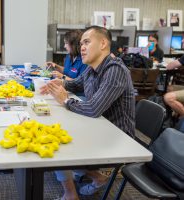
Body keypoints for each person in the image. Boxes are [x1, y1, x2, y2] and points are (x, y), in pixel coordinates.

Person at [41, 26, 135, 199]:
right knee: (55, 133)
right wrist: (58, 84)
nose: (82, 47)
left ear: (103, 43)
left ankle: (70, 194)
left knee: (56, 142)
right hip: (97, 125)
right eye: (81, 43)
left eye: (87, 42)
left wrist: (66, 100)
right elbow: (75, 84)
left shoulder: (115, 70)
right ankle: (97, 177)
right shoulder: (92, 68)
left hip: (116, 136)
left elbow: (93, 108)